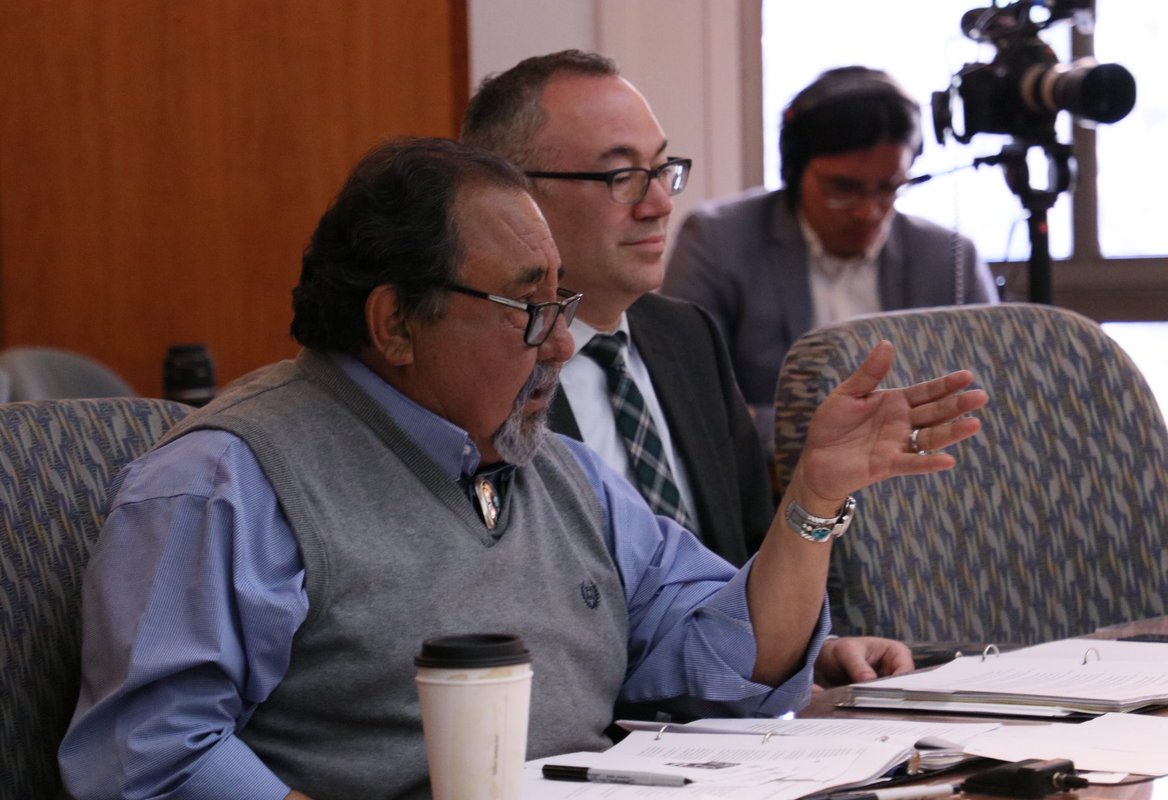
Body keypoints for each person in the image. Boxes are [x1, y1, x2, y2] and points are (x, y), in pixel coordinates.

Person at [58, 136, 986, 800]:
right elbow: (151, 758)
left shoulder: (556, 471)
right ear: (395, 323)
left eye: (562, 304)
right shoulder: (227, 482)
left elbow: (724, 661)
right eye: (528, 310)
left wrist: (815, 497)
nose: (562, 348)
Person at [461, 50, 914, 686]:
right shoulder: (475, 370)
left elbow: (749, 560)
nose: (658, 204)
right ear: (517, 196)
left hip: (734, 714)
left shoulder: (685, 337)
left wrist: (815, 652)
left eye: (662, 170)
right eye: (621, 177)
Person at [662, 65, 999, 454]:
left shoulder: (949, 256)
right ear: (794, 171)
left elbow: (990, 399)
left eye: (889, 187)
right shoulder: (718, 241)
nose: (868, 212)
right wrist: (853, 437)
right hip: (770, 479)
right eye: (843, 188)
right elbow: (689, 397)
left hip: (922, 476)